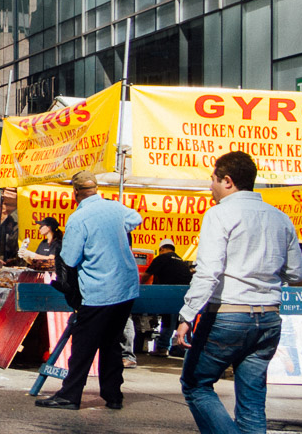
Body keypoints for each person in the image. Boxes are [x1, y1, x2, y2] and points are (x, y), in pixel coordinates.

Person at [172, 151, 302, 434]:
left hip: (228, 315)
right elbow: (297, 272)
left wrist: (186, 316)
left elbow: (209, 272)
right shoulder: (280, 218)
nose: (211, 187)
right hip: (268, 318)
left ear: (228, 181)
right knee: (252, 399)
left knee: (196, 385)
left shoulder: (219, 214)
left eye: (213, 180)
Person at [35, 171, 143, 410]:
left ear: (75, 193)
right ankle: (113, 395)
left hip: (99, 289)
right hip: (126, 288)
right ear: (96, 190)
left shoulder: (78, 218)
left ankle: (70, 395)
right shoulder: (115, 208)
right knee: (111, 343)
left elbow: (71, 259)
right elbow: (136, 219)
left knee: (83, 346)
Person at [144, 237, 194, 355]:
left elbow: (146, 275)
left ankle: (162, 348)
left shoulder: (161, 258)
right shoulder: (181, 260)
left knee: (168, 319)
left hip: (172, 292)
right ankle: (185, 348)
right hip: (187, 293)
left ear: (161, 249)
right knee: (184, 320)